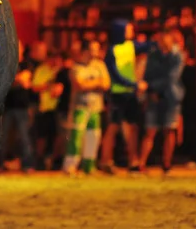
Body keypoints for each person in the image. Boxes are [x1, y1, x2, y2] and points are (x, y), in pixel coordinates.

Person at [100, 19, 149, 174]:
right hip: (117, 93)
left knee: (132, 127)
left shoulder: (131, 46)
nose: (131, 31)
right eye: (128, 29)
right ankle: (106, 161)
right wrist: (134, 84)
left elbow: (147, 46)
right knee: (113, 127)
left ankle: (132, 161)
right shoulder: (112, 51)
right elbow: (114, 74)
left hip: (130, 94)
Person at [139, 30, 184, 174]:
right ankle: (141, 164)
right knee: (150, 130)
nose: (162, 42)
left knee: (169, 130)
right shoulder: (153, 55)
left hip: (170, 97)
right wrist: (150, 91)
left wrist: (152, 86)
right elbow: (147, 74)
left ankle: (166, 164)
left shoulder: (178, 56)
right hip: (154, 97)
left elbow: (172, 78)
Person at [63, 39, 111, 175]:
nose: (96, 53)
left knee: (93, 137)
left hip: (96, 108)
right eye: (93, 49)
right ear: (85, 51)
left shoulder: (100, 65)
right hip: (80, 108)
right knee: (76, 137)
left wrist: (89, 83)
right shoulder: (76, 67)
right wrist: (97, 82)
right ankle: (70, 167)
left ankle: (89, 167)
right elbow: (79, 85)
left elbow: (106, 84)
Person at [0, 40, 35, 172]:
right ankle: (0, 164)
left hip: (22, 107)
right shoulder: (7, 63)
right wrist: (16, 81)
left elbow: (24, 81)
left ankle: (27, 164)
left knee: (24, 137)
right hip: (7, 106)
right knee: (3, 137)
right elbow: (5, 82)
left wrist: (13, 80)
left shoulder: (26, 64)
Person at [32, 49, 62, 170]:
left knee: (55, 136)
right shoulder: (42, 70)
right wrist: (48, 85)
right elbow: (35, 87)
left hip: (56, 109)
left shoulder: (58, 71)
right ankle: (39, 160)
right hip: (44, 108)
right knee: (42, 137)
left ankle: (52, 161)